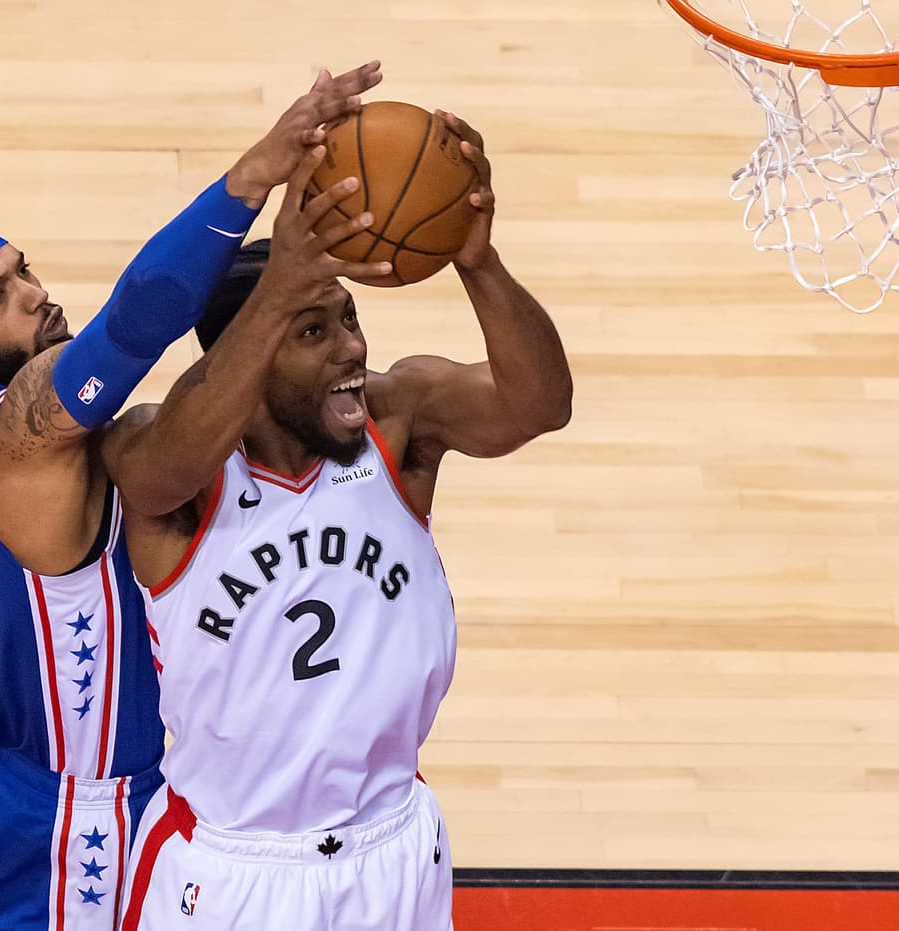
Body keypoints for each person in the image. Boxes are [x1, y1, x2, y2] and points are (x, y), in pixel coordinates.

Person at [0, 61, 385, 931]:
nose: (36, 296)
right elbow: (134, 323)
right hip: (74, 817)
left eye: (22, 270)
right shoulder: (18, 433)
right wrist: (253, 177)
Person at [102, 112, 573, 930]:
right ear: (241, 359)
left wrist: (479, 261)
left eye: (348, 319)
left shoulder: (399, 420)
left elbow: (541, 406)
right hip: (231, 867)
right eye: (312, 331)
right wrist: (276, 285)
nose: (351, 349)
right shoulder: (169, 462)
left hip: (391, 845)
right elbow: (158, 471)